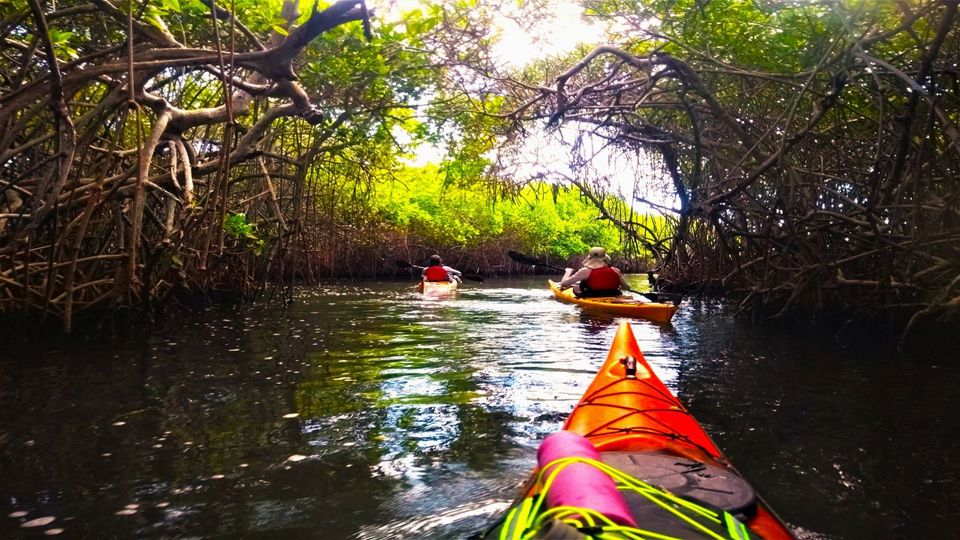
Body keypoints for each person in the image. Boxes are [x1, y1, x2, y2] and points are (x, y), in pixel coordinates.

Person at [558, 246, 630, 298]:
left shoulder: (585, 271)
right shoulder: (615, 270)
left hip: (593, 296)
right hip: (613, 294)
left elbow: (564, 283)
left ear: (590, 257)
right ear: (605, 257)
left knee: (576, 288)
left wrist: (568, 272)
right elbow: (627, 287)